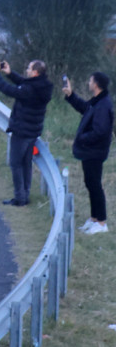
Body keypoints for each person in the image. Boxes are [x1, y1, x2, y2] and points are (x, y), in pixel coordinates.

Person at [0, 59, 54, 206]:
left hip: (22, 131)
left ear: (35, 72)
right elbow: (25, 83)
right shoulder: (42, 86)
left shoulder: (30, 90)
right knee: (26, 163)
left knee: (15, 163)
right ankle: (24, 195)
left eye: (29, 68)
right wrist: (10, 73)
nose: (26, 70)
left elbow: (9, 90)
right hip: (33, 131)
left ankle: (20, 198)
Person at [63, 72, 112, 233]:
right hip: (90, 151)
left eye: (90, 80)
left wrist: (82, 138)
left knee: (95, 185)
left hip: (95, 152)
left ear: (96, 84)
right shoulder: (97, 101)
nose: (88, 82)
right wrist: (71, 96)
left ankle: (102, 222)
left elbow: (100, 131)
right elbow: (85, 108)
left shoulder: (104, 104)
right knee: (90, 183)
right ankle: (94, 219)